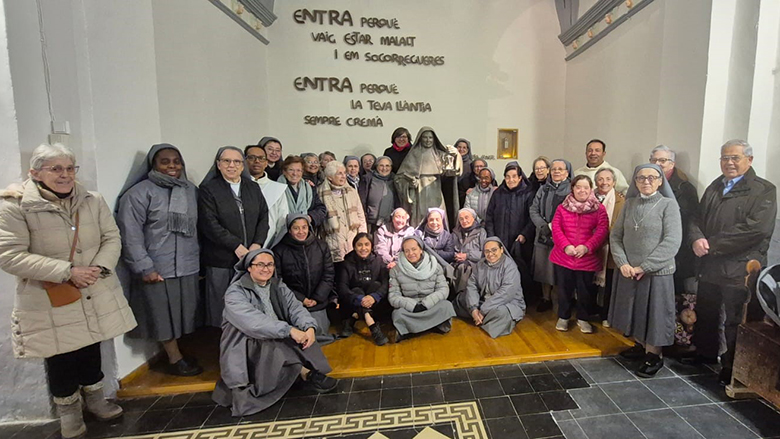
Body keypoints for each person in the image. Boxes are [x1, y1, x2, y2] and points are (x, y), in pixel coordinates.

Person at [0, 144, 136, 438]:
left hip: (92, 286)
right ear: (35, 173)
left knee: (92, 343)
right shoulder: (16, 206)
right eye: (56, 169)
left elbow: (111, 237)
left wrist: (99, 267)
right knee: (60, 353)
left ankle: (96, 399)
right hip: (50, 293)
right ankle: (69, 412)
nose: (65, 175)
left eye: (69, 168)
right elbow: (9, 255)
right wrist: (68, 272)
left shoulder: (92, 200)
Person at [690, 139, 777, 385]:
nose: (729, 162)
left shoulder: (764, 190)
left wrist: (712, 244)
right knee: (706, 311)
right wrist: (696, 238)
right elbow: (696, 217)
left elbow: (755, 229)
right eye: (725, 158)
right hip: (709, 263)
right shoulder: (716, 186)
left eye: (735, 158)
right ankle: (705, 353)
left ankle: (731, 366)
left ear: (749, 160)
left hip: (741, 266)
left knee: (735, 319)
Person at [213, 248, 338, 417]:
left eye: (270, 265)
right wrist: (289, 330)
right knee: (273, 344)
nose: (266, 269)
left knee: (303, 336)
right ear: (249, 267)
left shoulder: (278, 285)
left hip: (277, 331)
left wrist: (309, 327)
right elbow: (254, 324)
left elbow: (295, 308)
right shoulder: (235, 292)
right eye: (260, 265)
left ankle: (300, 372)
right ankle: (304, 373)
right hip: (247, 341)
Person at [117, 144, 203, 376]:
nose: (172, 166)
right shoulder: (139, 193)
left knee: (182, 314)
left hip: (187, 265)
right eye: (165, 161)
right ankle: (174, 358)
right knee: (162, 316)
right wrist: (145, 267)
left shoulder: (190, 190)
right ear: (153, 164)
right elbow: (130, 234)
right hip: (158, 266)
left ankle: (179, 352)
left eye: (176, 161)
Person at [608, 164, 682, 377]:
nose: (646, 181)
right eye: (641, 178)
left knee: (654, 315)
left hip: (656, 273)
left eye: (652, 177)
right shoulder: (630, 204)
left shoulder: (668, 205)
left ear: (660, 181)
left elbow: (672, 241)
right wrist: (622, 262)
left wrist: (646, 266)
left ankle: (654, 355)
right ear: (635, 181)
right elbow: (616, 236)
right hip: (630, 270)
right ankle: (640, 346)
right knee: (634, 310)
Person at [199, 146, 269, 328]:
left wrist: (257, 244)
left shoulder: (252, 187)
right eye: (226, 161)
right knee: (221, 304)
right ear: (218, 164)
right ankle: (224, 340)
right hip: (221, 259)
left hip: (250, 258)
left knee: (250, 303)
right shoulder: (208, 189)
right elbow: (209, 224)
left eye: (237, 161)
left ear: (242, 165)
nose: (232, 165)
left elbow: (264, 217)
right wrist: (236, 246)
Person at [649, 145, 699, 353]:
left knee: (676, 301)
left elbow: (687, 222)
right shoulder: (647, 184)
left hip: (677, 255)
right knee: (655, 302)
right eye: (654, 160)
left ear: (672, 164)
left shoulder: (685, 189)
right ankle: (651, 342)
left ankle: (677, 343)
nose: (658, 164)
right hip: (651, 254)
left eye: (663, 161)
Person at [550, 175, 609, 333]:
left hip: (587, 258)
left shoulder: (599, 209)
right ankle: (563, 317)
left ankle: (583, 318)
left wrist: (587, 247)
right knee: (564, 290)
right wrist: (566, 246)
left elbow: (602, 230)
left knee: (585, 291)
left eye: (585, 187)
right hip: (564, 257)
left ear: (591, 189)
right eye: (578, 187)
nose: (582, 190)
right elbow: (556, 228)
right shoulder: (562, 207)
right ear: (573, 189)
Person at [273, 214, 337, 344]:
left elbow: (328, 274)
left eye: (304, 227)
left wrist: (316, 298)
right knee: (296, 337)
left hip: (317, 302)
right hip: (293, 303)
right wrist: (301, 299)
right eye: (296, 228)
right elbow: (279, 281)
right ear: (289, 230)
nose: (301, 232)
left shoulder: (321, 246)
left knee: (318, 334)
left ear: (309, 228)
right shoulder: (279, 250)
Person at [485, 162, 538, 301]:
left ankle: (523, 299)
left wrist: (524, 234)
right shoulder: (498, 193)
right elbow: (489, 216)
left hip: (519, 240)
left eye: (514, 176)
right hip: (500, 240)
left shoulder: (528, 193)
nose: (511, 180)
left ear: (520, 177)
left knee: (520, 269)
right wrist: (492, 237)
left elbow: (532, 218)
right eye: (508, 177)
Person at [454, 238, 526, 338]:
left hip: (505, 303)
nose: (490, 254)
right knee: (462, 298)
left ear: (501, 250)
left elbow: (505, 293)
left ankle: (479, 318)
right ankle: (480, 318)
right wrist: (473, 308)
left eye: (494, 250)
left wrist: (483, 310)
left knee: (502, 313)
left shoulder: (510, 267)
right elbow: (472, 285)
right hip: (483, 300)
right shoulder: (480, 264)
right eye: (487, 251)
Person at [388, 236, 456, 342]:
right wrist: (412, 306)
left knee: (446, 306)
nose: (411, 253)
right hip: (410, 308)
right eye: (407, 251)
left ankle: (410, 330)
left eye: (414, 249)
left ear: (421, 249)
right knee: (398, 314)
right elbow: (393, 296)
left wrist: (426, 303)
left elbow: (443, 289)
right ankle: (434, 325)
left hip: (431, 305)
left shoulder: (435, 266)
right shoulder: (395, 270)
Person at [394, 126, 462, 227]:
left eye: (430, 138)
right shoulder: (413, 154)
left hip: (436, 191)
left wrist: (456, 155)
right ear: (420, 139)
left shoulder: (439, 154)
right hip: (419, 193)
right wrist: (409, 184)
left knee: (437, 215)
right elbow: (399, 178)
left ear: (434, 139)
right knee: (420, 219)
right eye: (425, 137)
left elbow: (453, 170)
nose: (428, 140)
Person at [529, 159, 572, 313]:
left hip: (564, 237)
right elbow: (533, 209)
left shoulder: (572, 190)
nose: (556, 172)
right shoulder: (543, 189)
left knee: (559, 271)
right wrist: (544, 226)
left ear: (567, 172)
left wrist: (556, 229)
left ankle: (559, 300)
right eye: (554, 169)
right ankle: (546, 298)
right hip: (543, 235)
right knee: (543, 269)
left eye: (560, 169)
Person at [336, 233, 390, 345]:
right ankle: (372, 326)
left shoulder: (378, 261)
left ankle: (354, 317)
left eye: (366, 244)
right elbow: (342, 287)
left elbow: (385, 283)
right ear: (354, 247)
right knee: (356, 290)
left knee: (376, 285)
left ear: (371, 246)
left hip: (374, 302)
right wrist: (360, 299)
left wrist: (374, 297)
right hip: (353, 300)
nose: (363, 248)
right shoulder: (347, 263)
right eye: (359, 245)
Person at [592, 167, 626, 326]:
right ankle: (590, 311)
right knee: (589, 282)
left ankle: (606, 315)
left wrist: (602, 235)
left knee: (610, 284)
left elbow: (621, 225)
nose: (604, 182)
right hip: (590, 247)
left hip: (611, 248)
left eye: (608, 179)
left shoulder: (621, 201)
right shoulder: (589, 197)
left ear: (614, 182)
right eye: (600, 179)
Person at [317, 161, 368, 266]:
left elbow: (360, 216)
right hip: (333, 242)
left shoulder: (352, 191)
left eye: (344, 173)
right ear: (330, 177)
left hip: (352, 240)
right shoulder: (320, 193)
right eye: (339, 173)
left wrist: (363, 238)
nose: (343, 176)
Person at [245, 144, 289, 248]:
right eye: (252, 157)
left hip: (269, 245)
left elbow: (282, 220)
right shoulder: (237, 186)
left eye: (261, 158)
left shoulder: (277, 188)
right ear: (244, 161)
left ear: (266, 163)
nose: (257, 161)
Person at [278, 155, 328, 228]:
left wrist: (309, 217)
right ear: (284, 171)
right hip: (282, 229)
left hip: (304, 230)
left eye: (298, 170)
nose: (295, 173)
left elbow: (321, 209)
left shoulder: (309, 187)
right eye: (291, 170)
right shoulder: (277, 189)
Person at [359, 156, 399, 235]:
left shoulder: (395, 180)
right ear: (376, 166)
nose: (384, 168)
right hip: (371, 223)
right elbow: (362, 200)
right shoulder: (368, 179)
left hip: (389, 224)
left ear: (391, 167)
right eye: (381, 165)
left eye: (387, 166)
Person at [452, 208, 487, 296]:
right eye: (461, 219)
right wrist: (456, 255)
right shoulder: (455, 233)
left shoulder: (481, 232)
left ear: (473, 218)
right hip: (458, 263)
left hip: (476, 263)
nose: (464, 221)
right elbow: (452, 250)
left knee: (466, 269)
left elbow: (485, 253)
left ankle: (463, 296)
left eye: (467, 217)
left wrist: (467, 256)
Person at [454, 138, 473, 206]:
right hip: (451, 192)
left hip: (465, 194)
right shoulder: (450, 161)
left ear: (468, 150)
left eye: (464, 147)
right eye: (459, 147)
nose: (461, 149)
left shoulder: (471, 164)